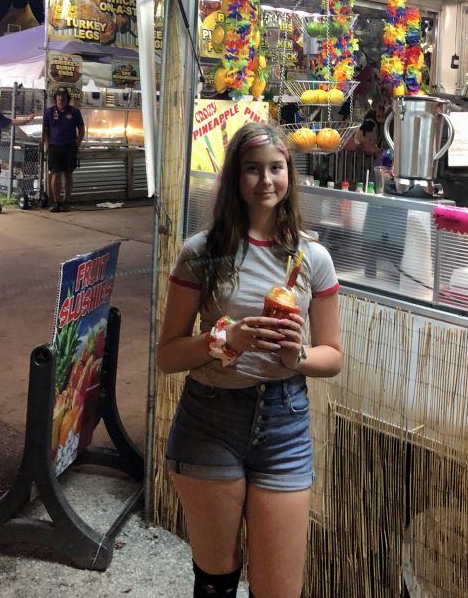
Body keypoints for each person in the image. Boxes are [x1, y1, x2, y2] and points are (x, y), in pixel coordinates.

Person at [157, 122, 343, 598]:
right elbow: (168, 355)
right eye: (252, 170)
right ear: (235, 179)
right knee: (216, 579)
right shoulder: (202, 253)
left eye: (276, 169)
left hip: (285, 421)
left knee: (279, 588)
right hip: (210, 419)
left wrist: (296, 355)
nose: (266, 181)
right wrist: (226, 338)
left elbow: (333, 356)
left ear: (289, 175)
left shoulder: (312, 258)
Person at [42, 86, 85, 212]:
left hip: (70, 147)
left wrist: (77, 143)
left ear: (67, 98)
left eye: (63, 96)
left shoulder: (74, 112)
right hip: (54, 147)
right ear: (55, 98)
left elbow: (82, 129)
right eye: (59, 96)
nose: (61, 98)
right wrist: (47, 144)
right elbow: (45, 130)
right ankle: (56, 202)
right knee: (55, 174)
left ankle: (66, 201)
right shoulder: (49, 112)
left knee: (68, 175)